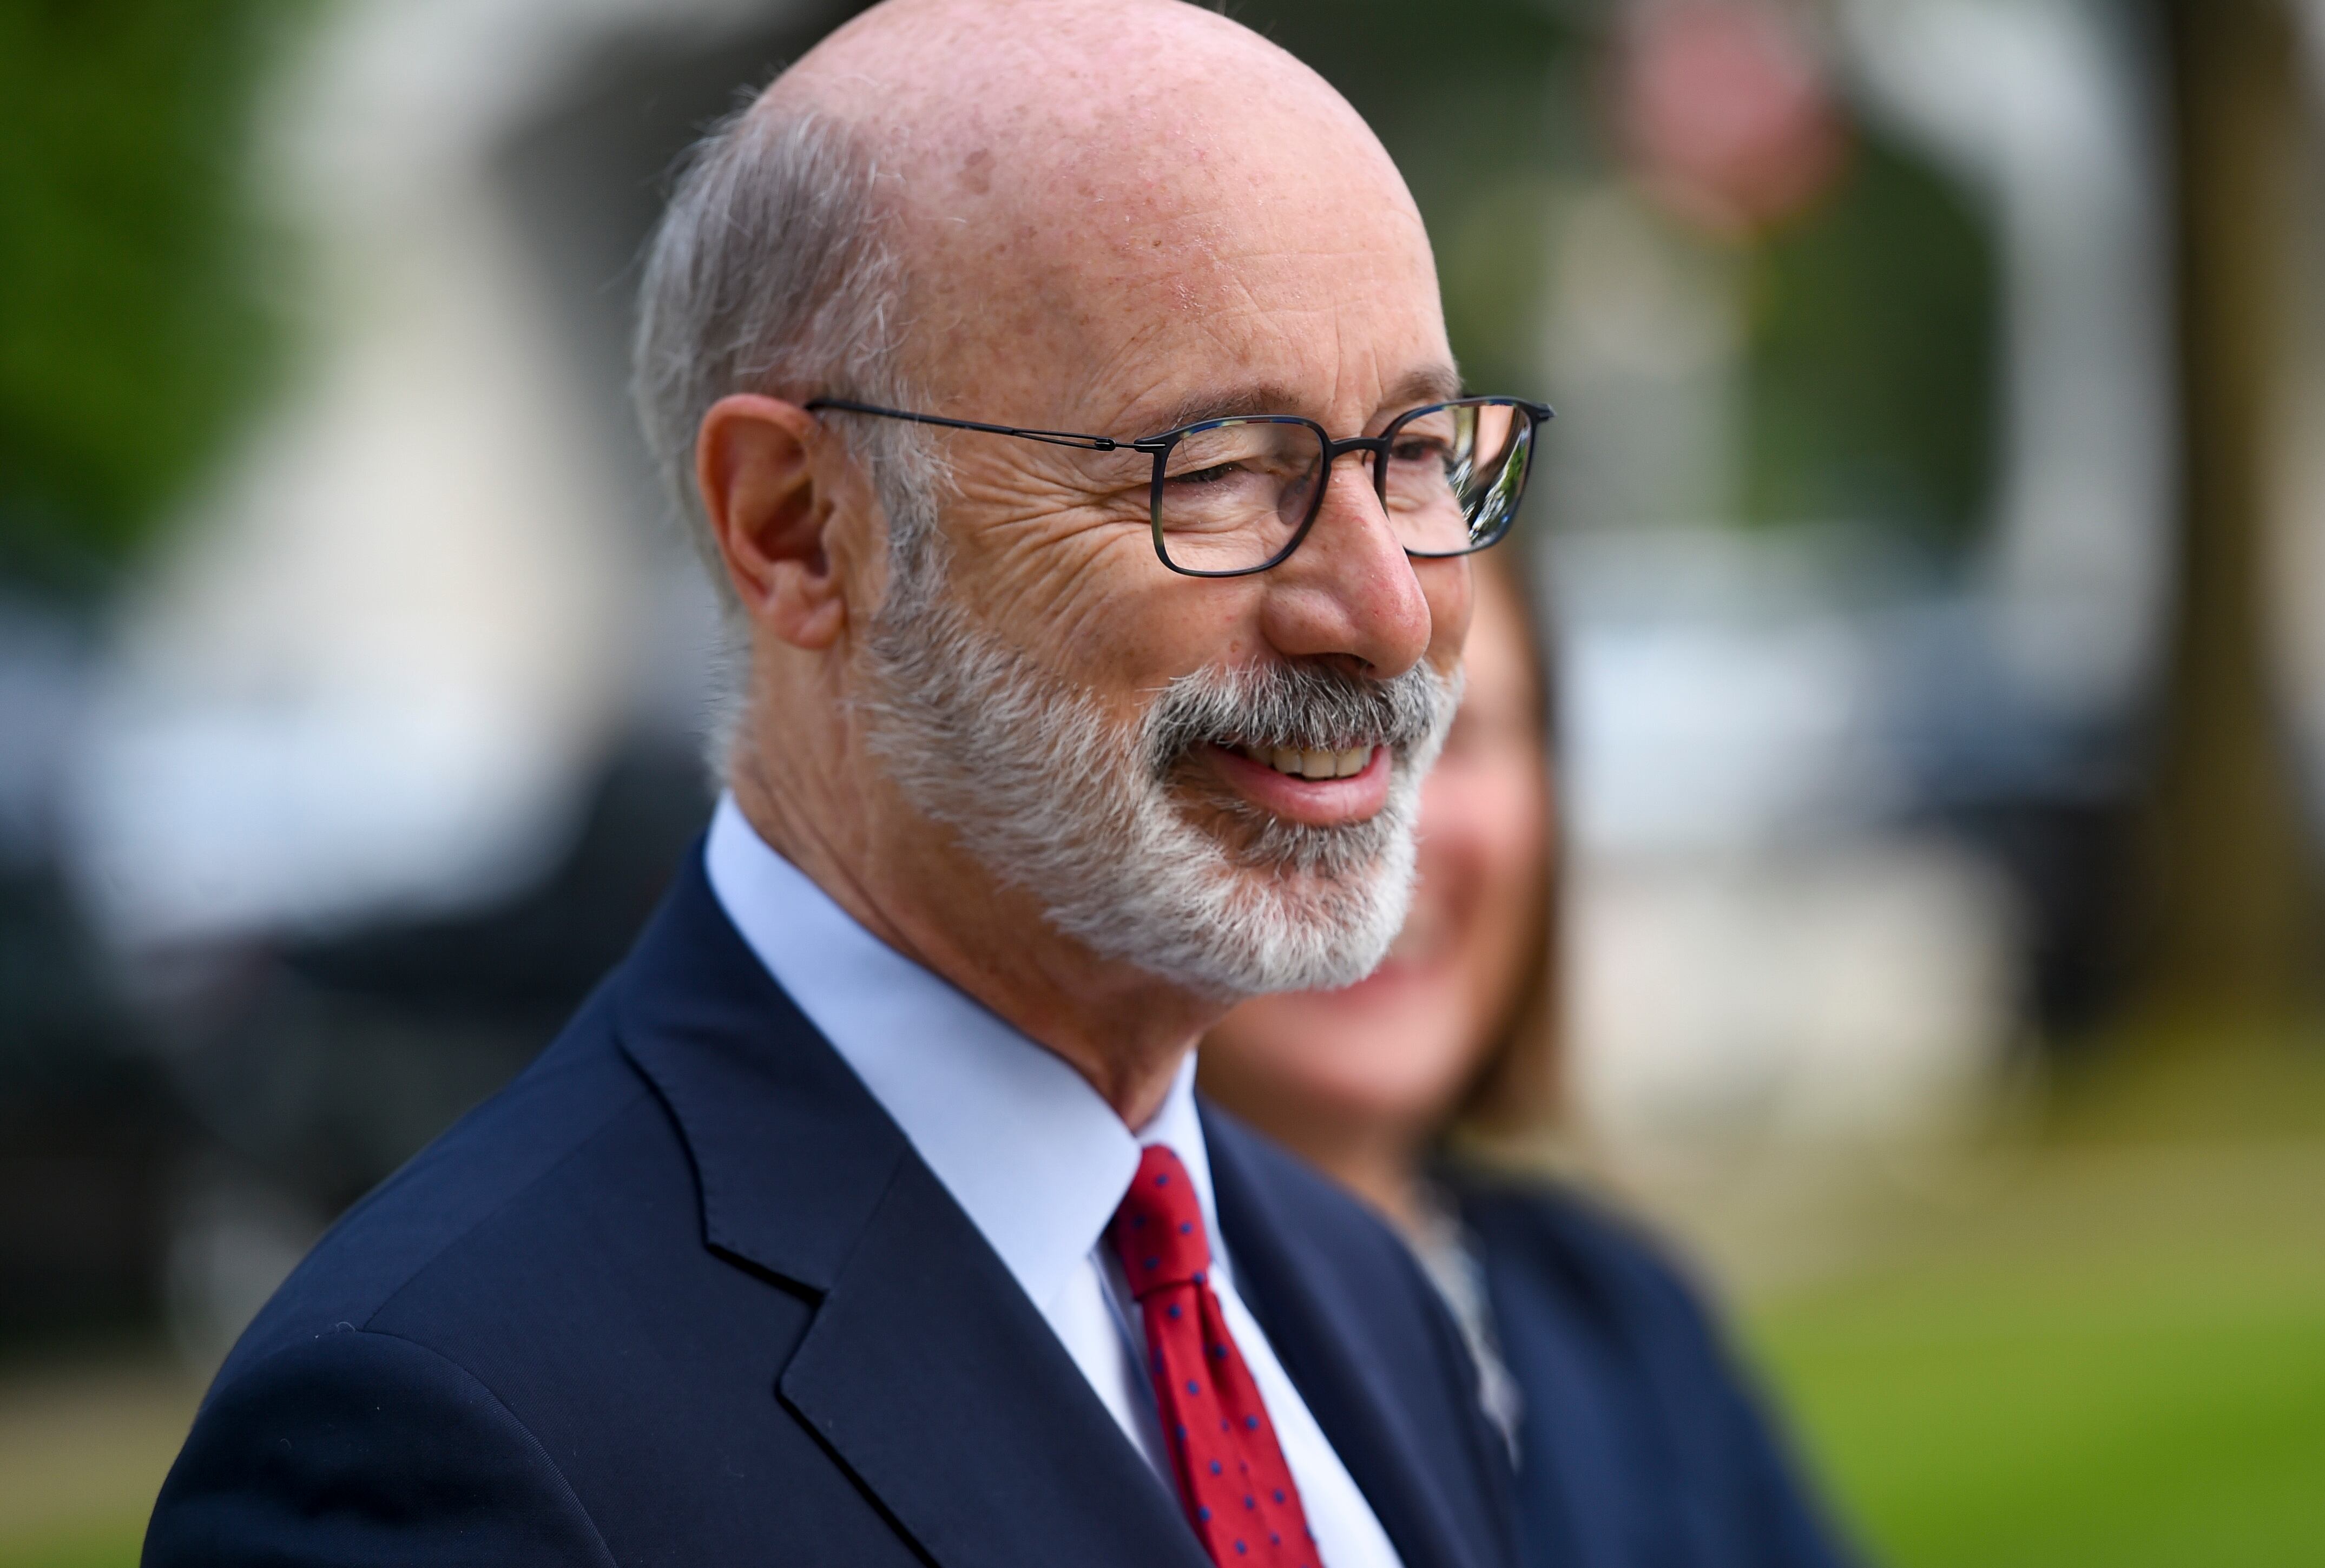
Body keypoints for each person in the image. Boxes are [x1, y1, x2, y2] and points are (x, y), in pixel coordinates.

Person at [143, 3, 1550, 1565]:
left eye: (1417, 451)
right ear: (798, 529)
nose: (1388, 607)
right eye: (1215, 468)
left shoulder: (1359, 1300)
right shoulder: (442, 1431)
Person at [1201, 554, 1862, 1568]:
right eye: (1299, 736)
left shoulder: (1623, 1323)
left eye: (1447, 732)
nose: (1392, 829)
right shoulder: (1057, 1346)